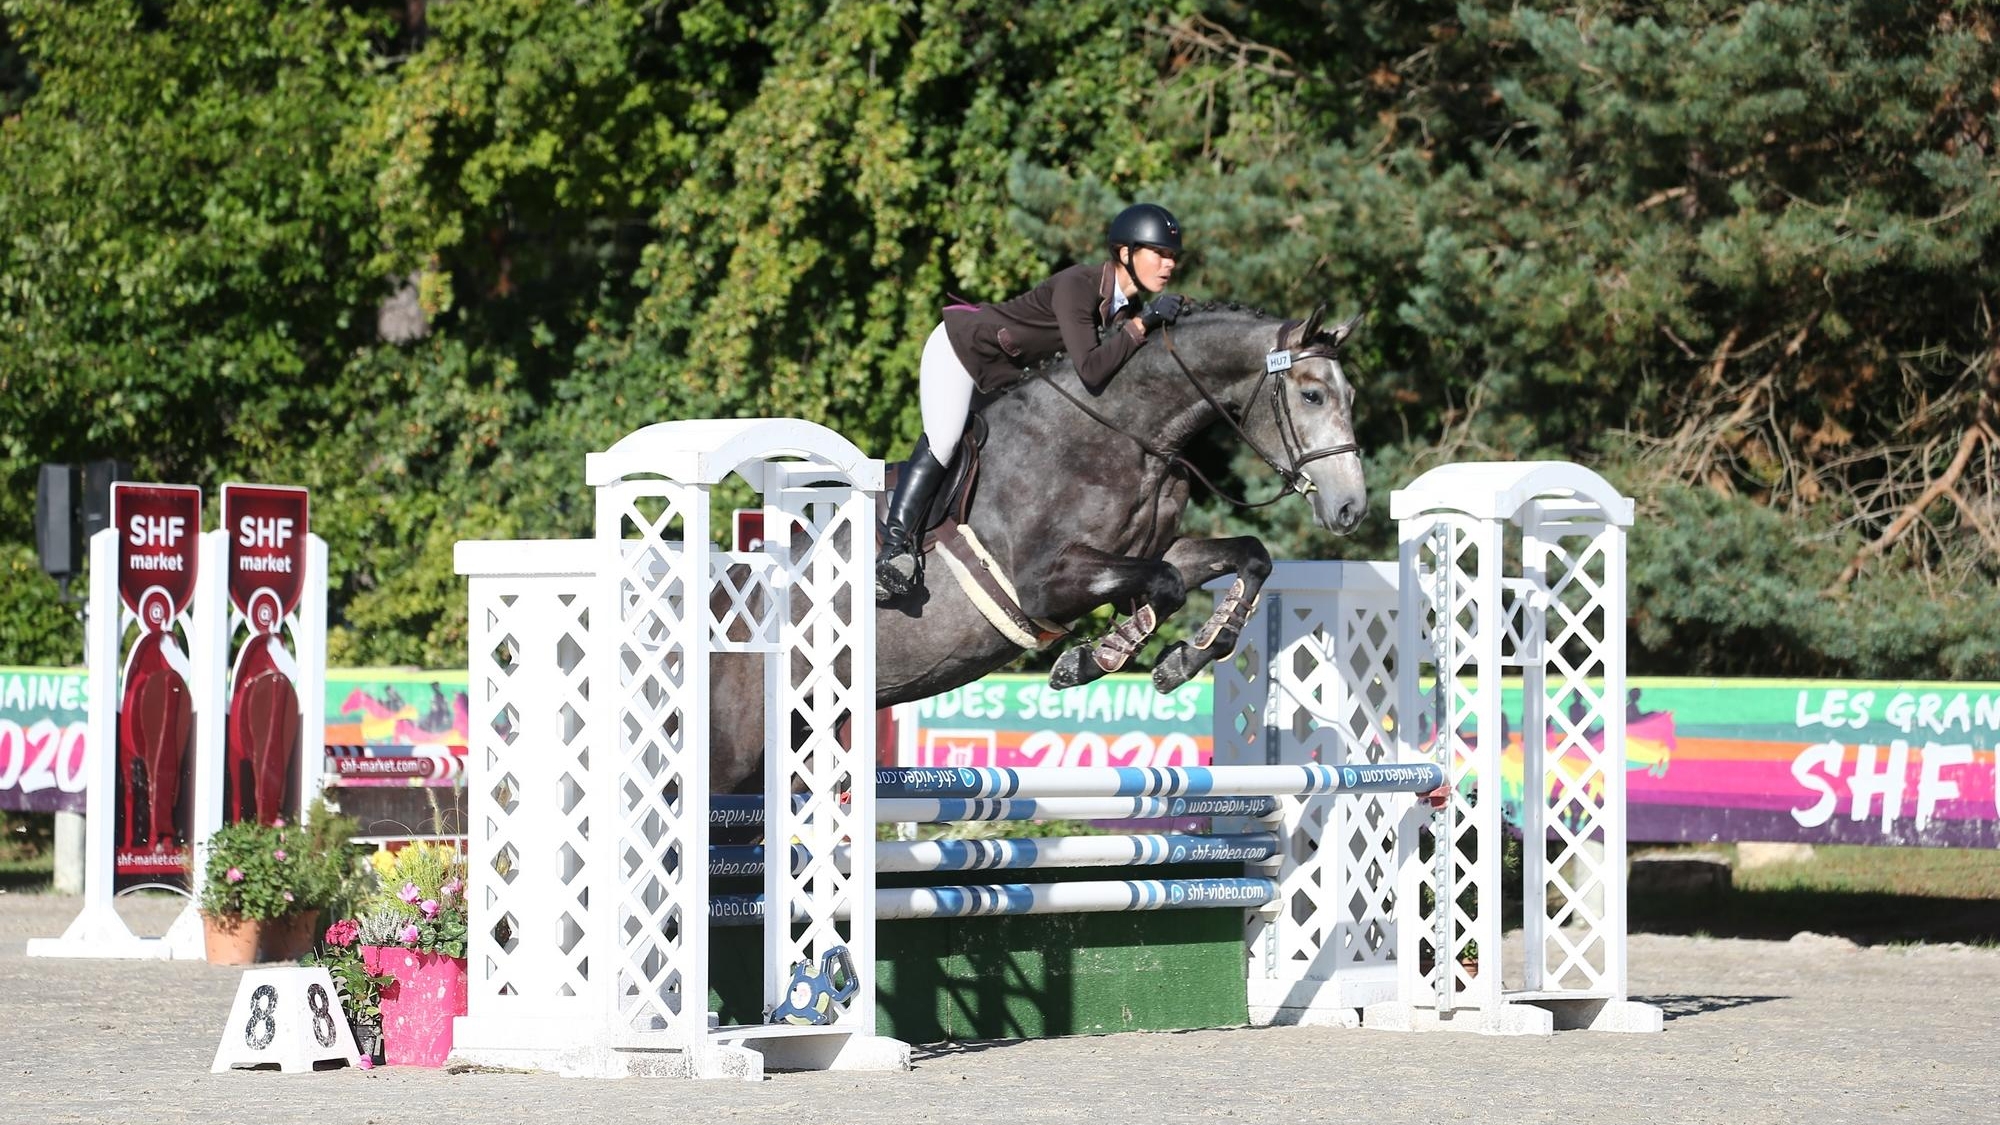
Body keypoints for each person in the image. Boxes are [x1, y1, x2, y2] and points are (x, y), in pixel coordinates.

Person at [876, 202, 1189, 601]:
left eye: (1172, 256)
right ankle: (894, 552)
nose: (1168, 264)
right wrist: (1142, 325)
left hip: (1000, 378)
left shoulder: (1123, 309)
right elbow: (1092, 370)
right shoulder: (1079, 285)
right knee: (945, 440)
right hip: (961, 350)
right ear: (1125, 253)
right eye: (1159, 253)